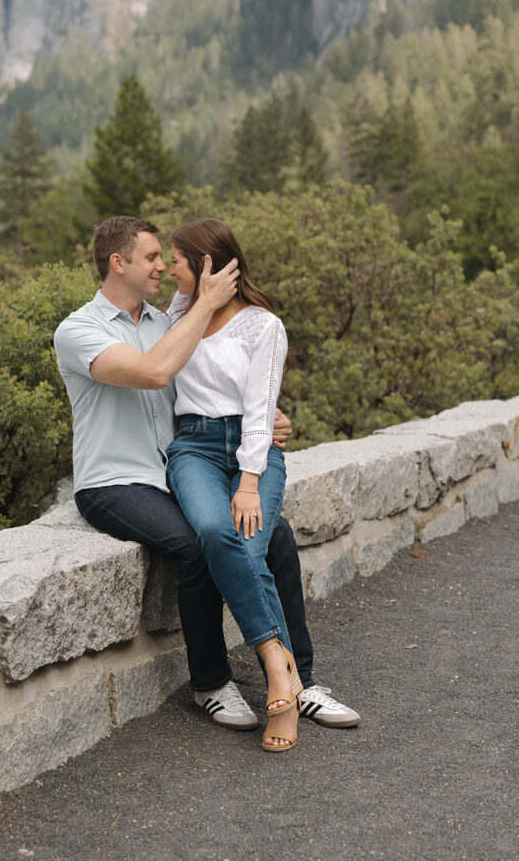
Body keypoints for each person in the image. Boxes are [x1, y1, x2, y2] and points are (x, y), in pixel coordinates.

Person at [54, 216, 359, 734]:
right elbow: (154, 372)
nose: (161, 266)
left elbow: (213, 385)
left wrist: (262, 419)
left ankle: (302, 680)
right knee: (199, 545)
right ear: (118, 262)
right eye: (152, 257)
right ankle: (212, 683)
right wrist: (205, 304)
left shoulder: (164, 319)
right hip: (115, 481)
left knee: (277, 535)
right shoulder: (80, 330)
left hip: (172, 469)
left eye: (165, 258)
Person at [166, 218, 305, 750]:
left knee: (250, 541)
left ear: (205, 263)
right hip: (194, 447)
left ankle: (282, 691)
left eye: (177, 259)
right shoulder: (177, 314)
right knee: (211, 529)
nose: (169, 270)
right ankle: (279, 663)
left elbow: (259, 410)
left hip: (255, 451)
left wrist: (249, 482)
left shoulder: (263, 326)